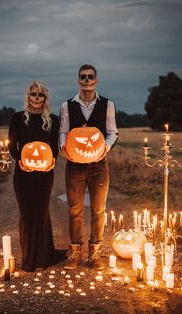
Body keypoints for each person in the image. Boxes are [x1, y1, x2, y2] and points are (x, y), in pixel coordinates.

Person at [59, 64, 118, 270]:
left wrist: (105, 149)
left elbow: (113, 132)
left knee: (98, 209)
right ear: (78, 80)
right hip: (74, 165)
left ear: (96, 80)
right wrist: (63, 148)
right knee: (74, 210)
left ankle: (95, 254)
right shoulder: (67, 106)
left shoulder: (107, 105)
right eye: (83, 77)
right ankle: (75, 253)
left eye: (90, 77)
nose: (86, 80)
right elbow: (63, 132)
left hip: (99, 165)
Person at [8, 80, 59, 272]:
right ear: (28, 97)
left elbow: (54, 147)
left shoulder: (52, 120)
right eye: (33, 94)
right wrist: (19, 161)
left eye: (40, 95)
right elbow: (12, 145)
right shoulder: (18, 118)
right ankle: (28, 258)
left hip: (45, 174)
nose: (36, 98)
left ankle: (42, 258)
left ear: (45, 98)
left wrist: (52, 160)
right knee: (27, 214)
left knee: (41, 213)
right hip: (23, 174)